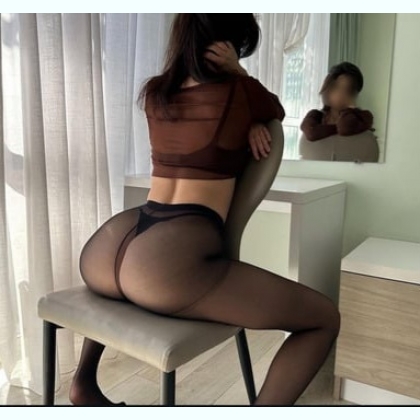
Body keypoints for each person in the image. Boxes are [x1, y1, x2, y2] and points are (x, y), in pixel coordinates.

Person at [70, 14, 340, 406]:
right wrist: (240, 77)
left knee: (129, 276)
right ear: (227, 45)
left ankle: (83, 383)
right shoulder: (239, 91)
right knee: (323, 318)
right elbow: (276, 110)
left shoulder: (156, 91)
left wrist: (247, 118)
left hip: (108, 249)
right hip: (164, 261)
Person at [301, 61, 374, 141]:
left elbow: (345, 128)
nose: (340, 94)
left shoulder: (363, 117)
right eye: (336, 87)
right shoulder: (316, 116)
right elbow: (311, 133)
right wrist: (336, 129)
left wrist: (350, 110)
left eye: (346, 90)